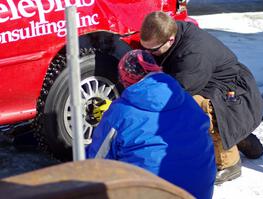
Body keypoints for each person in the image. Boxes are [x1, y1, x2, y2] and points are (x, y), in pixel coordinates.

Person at [140, 11, 263, 184]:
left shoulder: (193, 55)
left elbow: (177, 93)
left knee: (198, 107)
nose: (148, 53)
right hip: (215, 85)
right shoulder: (173, 33)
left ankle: (229, 164)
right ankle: (240, 137)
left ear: (170, 39)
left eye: (153, 49)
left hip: (235, 94)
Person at [86, 49, 216, 199]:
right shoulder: (186, 99)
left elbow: (96, 162)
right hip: (199, 192)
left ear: (125, 79)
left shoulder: (120, 112)